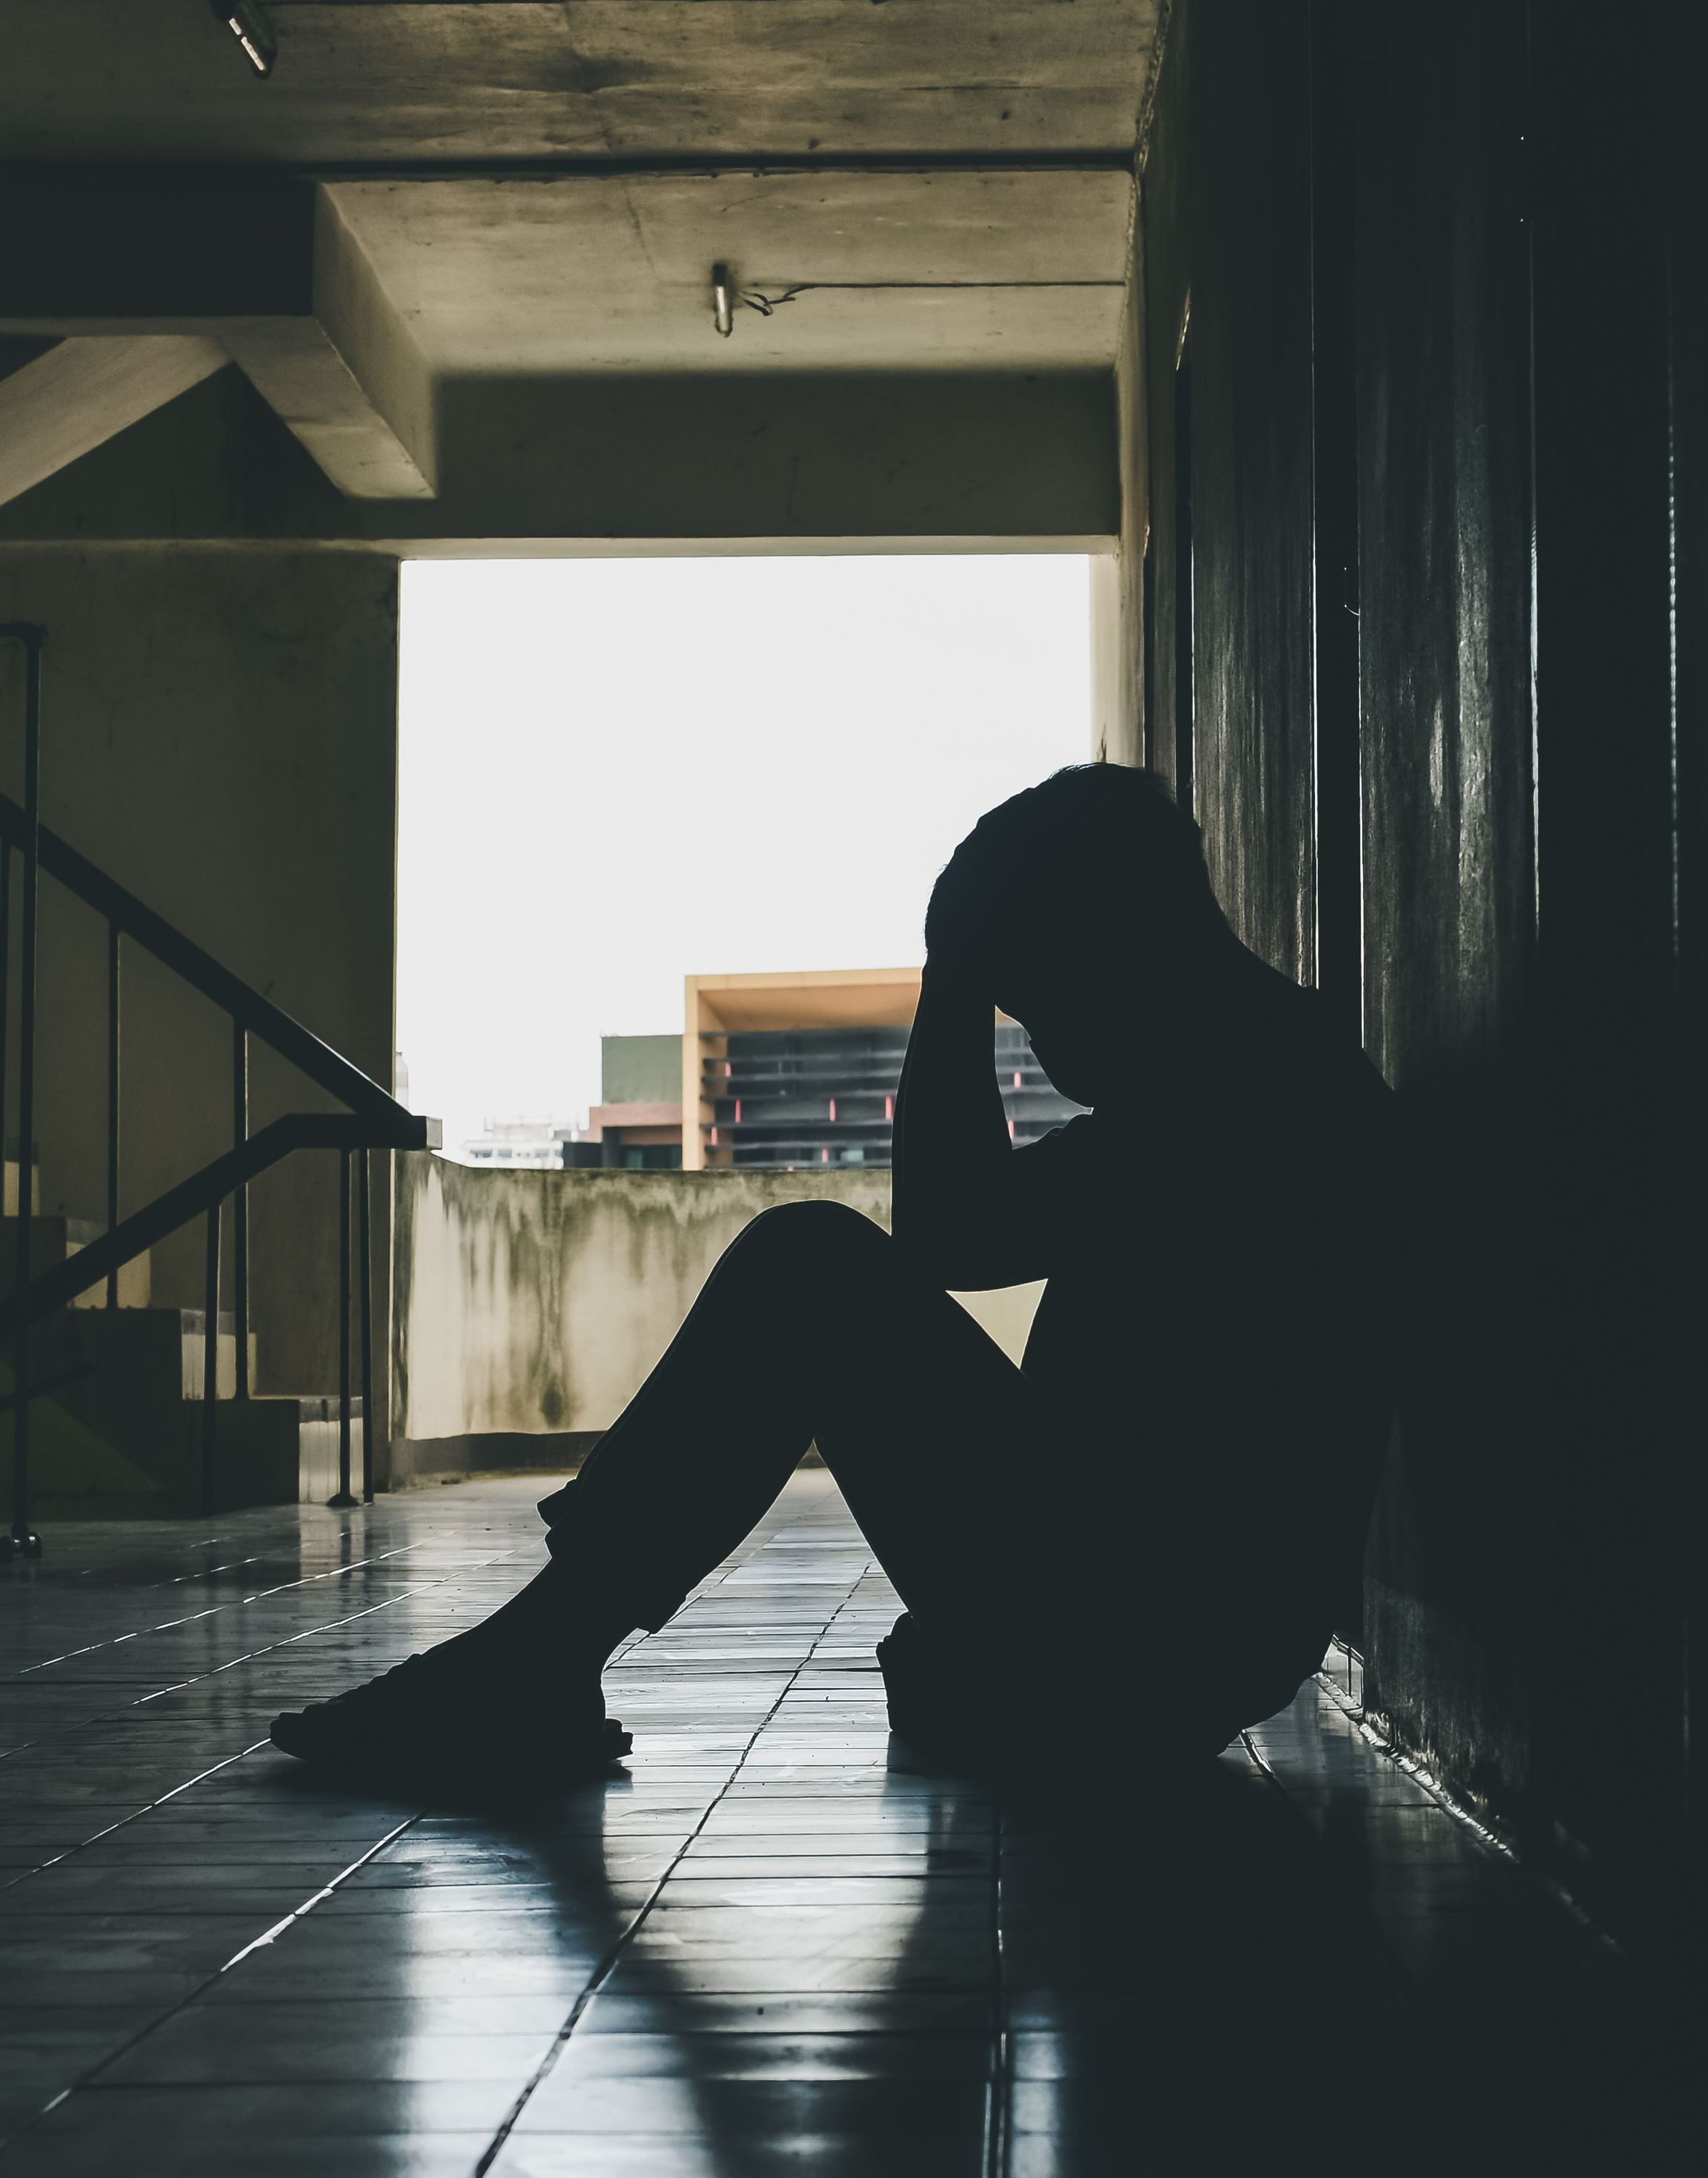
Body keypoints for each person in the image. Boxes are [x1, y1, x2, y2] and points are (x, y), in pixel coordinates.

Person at [275, 762, 1399, 1788]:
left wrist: (949, 985)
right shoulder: (1258, 1079)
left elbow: (951, 1240)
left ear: (1113, 947)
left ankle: (532, 1664)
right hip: (1158, 1630)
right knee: (811, 1264)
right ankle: (536, 1662)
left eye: (1034, 1002)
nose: (1043, 1048)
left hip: (1148, 1641)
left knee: (809, 1265)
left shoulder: (1255, 1101)